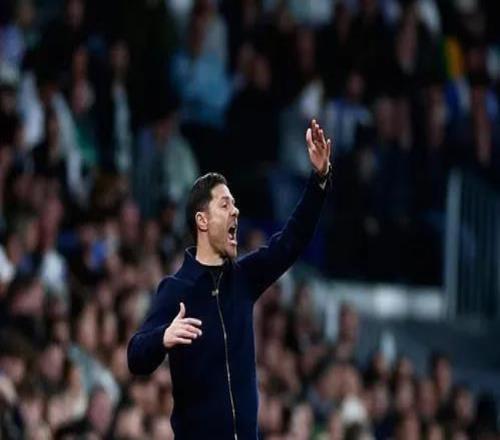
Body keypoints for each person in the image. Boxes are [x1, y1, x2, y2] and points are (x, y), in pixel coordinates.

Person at [127, 119, 333, 439]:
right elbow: (135, 357)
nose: (235, 211)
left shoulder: (244, 278)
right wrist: (163, 337)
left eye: (235, 205)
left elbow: (291, 241)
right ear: (202, 220)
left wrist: (319, 180)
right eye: (225, 204)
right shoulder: (177, 289)